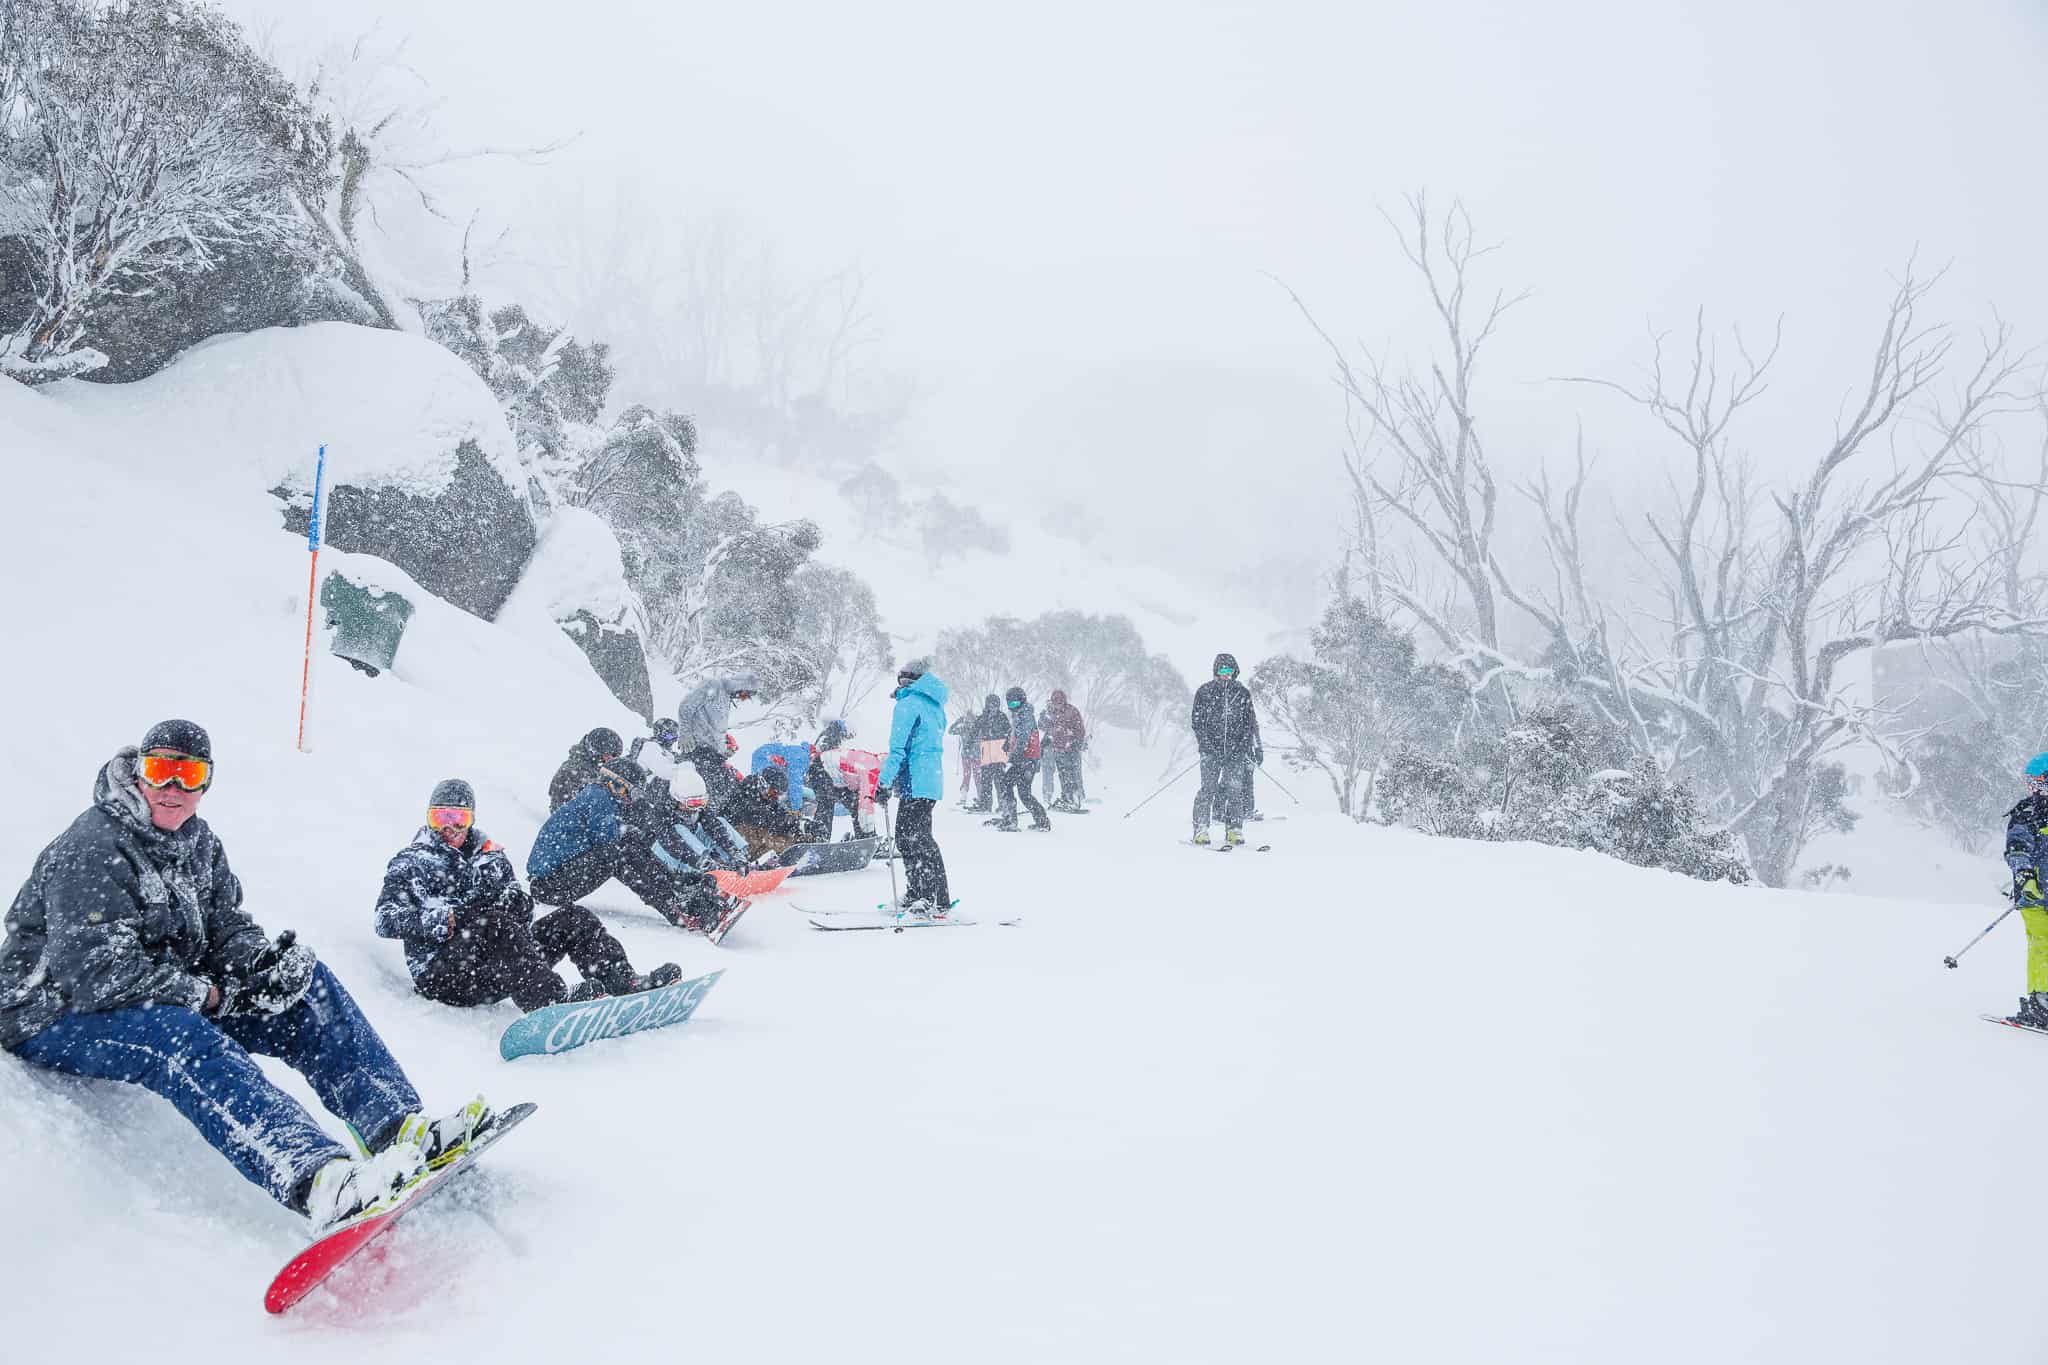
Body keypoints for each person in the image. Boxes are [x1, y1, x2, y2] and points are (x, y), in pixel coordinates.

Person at [0, 720, 491, 1233]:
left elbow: (224, 926)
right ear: (137, 773)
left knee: (309, 992)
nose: (173, 789)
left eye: (188, 775)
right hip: (49, 1010)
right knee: (177, 1035)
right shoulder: (94, 846)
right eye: (160, 771)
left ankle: (396, 1126)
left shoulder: (198, 843)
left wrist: (261, 966)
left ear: (205, 783)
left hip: (157, 987)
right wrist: (203, 993)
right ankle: (320, 1179)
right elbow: (95, 974)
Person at [375, 779, 682, 1013]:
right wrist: (445, 918)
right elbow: (385, 920)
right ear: (429, 819)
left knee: (575, 918)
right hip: (444, 973)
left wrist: (518, 904)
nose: (450, 828)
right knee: (493, 923)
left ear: (471, 820)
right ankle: (550, 1000)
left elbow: (522, 913)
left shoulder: (490, 857)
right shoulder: (413, 862)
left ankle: (624, 983)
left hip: (500, 968)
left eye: (459, 820)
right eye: (440, 818)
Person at [528, 758, 735, 933]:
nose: (631, 798)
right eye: (631, 792)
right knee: (617, 852)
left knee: (630, 840)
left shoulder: (606, 798)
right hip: (549, 886)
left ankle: (679, 889)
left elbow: (641, 833)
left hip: (562, 875)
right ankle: (674, 907)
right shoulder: (597, 798)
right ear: (616, 785)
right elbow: (607, 843)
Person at [875, 658, 953, 914]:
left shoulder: (908, 705)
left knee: (913, 840)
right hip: (928, 781)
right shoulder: (934, 707)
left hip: (915, 781)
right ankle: (925, 894)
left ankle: (927, 897)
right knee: (915, 839)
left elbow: (898, 749)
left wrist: (884, 782)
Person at [1190, 652, 1262, 845]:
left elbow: (1250, 723)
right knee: (1208, 789)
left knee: (1235, 790)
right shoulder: (1204, 692)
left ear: (1234, 671)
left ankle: (1234, 829)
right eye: (1222, 670)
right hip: (1210, 752)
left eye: (1229, 670)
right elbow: (1197, 722)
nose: (1226, 673)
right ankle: (1201, 829)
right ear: (1216, 670)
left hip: (1235, 753)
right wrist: (1206, 745)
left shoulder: (1243, 693)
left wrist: (1246, 746)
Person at [2003, 753, 2048, 1025]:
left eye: (2037, 782)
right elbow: (2017, 846)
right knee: (2043, 943)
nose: (2032, 788)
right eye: (2030, 782)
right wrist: (2024, 876)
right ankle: (2041, 1001)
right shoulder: (2027, 812)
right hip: (2035, 893)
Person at [674, 672, 760, 804]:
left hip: (712, 755)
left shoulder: (726, 697)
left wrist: (724, 749)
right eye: (744, 694)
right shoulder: (713, 685)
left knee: (722, 791)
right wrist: (685, 733)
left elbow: (714, 729)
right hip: (697, 750)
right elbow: (686, 706)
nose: (743, 699)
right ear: (740, 685)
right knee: (703, 791)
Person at [720, 765, 820, 859]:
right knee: (764, 837)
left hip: (758, 833)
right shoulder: (742, 794)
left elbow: (781, 814)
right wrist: (787, 823)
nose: (776, 796)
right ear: (764, 784)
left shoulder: (768, 798)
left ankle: (806, 849)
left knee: (793, 833)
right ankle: (775, 856)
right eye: (775, 792)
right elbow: (759, 818)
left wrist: (802, 825)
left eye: (780, 794)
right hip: (736, 838)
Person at [989, 686, 1051, 832]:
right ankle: (1041, 821)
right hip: (1027, 759)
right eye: (1010, 705)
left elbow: (1023, 739)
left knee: (1006, 784)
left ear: (1022, 701)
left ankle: (1010, 820)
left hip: (1025, 760)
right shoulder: (1021, 714)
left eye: (1015, 704)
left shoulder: (1025, 715)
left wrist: (1013, 757)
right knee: (1024, 793)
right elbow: (1017, 733)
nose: (1012, 708)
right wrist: (1007, 742)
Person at [805, 719, 873, 842]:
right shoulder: (832, 733)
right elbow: (828, 759)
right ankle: (820, 838)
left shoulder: (830, 734)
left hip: (828, 776)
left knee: (843, 803)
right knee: (827, 803)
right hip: (823, 775)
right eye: (850, 735)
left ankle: (820, 837)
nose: (849, 738)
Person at [549, 726, 624, 812]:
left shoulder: (596, 768)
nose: (610, 760)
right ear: (595, 752)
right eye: (608, 755)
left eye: (614, 757)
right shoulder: (573, 771)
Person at [1042, 689, 1088, 812]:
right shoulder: (1050, 713)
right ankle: (1066, 798)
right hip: (1058, 749)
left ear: (1064, 700)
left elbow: (1080, 729)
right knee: (1063, 775)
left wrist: (1076, 742)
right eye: (1055, 701)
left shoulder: (1072, 711)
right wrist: (1047, 739)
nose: (1057, 703)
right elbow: (1046, 727)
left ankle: (1075, 798)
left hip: (1071, 748)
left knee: (1073, 774)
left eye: (1059, 701)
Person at [968, 693, 1008, 812]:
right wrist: (969, 743)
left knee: (1000, 780)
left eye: (995, 704)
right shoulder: (983, 717)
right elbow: (974, 730)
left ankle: (1003, 804)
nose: (992, 707)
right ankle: (986, 805)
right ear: (987, 705)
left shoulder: (1002, 717)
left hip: (999, 750)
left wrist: (1007, 744)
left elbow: (1008, 731)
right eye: (990, 704)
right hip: (986, 750)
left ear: (998, 705)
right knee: (986, 779)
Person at [950, 707, 981, 806]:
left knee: (973, 777)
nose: (969, 721)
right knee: (972, 777)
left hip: (972, 756)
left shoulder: (972, 728)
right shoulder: (969, 728)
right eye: (968, 719)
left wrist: (958, 722)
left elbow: (951, 730)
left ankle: (974, 798)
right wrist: (958, 721)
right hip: (971, 756)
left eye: (970, 718)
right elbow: (950, 731)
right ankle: (971, 797)